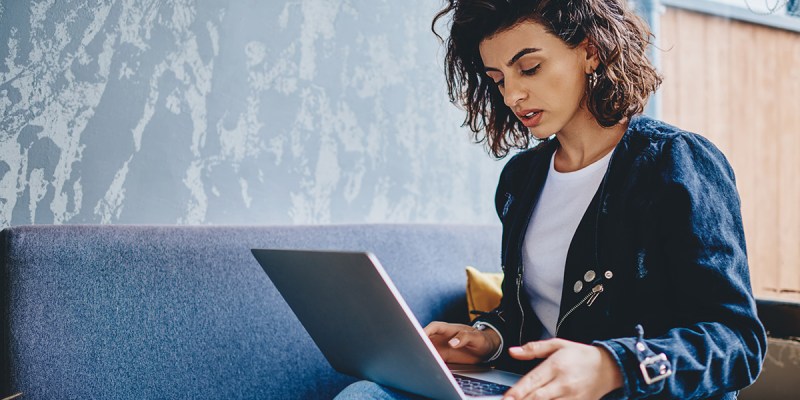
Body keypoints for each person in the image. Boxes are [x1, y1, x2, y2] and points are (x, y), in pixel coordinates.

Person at [337, 0, 767, 398]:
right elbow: (527, 312)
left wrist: (613, 365)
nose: (511, 96)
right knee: (364, 394)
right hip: (530, 389)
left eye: (529, 68)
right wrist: (488, 339)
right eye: (498, 79)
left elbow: (738, 341)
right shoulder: (520, 179)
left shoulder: (676, 162)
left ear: (590, 51)